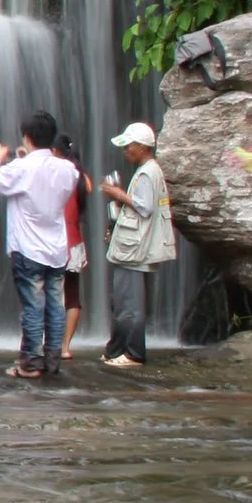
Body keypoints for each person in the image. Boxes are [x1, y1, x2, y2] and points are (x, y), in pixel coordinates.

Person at [0, 112, 77, 378]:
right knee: (56, 305)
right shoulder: (68, 169)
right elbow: (48, 183)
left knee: (33, 306)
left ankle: (31, 363)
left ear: (27, 137)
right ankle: (52, 360)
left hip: (28, 248)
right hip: (56, 249)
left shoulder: (21, 169)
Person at [100, 122, 175, 367]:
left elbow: (144, 207)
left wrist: (116, 194)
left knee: (129, 303)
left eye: (128, 146)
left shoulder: (147, 173)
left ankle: (133, 353)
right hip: (134, 244)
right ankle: (116, 349)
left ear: (143, 147)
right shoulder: (149, 170)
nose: (125, 151)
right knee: (122, 300)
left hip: (135, 248)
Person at [53, 134, 96, 359]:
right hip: (76, 240)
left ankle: (48, 342)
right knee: (72, 294)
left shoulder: (58, 174)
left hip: (57, 239)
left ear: (57, 152)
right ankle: (66, 346)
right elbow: (88, 187)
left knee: (51, 292)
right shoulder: (81, 177)